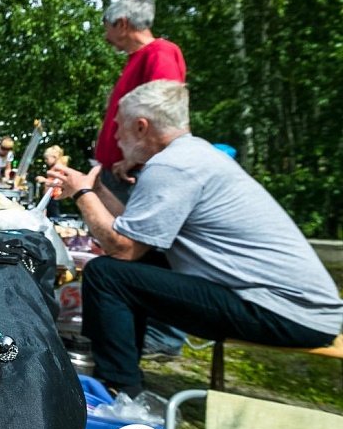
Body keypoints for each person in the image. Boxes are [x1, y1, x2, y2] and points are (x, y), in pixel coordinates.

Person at [47, 80, 342, 396]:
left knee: (108, 274)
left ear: (142, 127)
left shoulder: (172, 166)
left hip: (284, 310)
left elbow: (122, 247)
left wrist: (83, 193)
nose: (116, 137)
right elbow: (132, 232)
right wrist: (99, 190)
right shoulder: (191, 155)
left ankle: (118, 389)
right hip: (290, 304)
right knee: (133, 268)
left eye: (118, 128)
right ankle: (121, 379)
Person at [95, 0, 186, 202]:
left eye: (107, 27)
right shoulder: (138, 58)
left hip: (130, 175)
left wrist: (132, 158)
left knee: (121, 235)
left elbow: (164, 116)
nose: (105, 36)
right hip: (119, 173)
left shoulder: (159, 53)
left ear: (122, 24)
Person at [35, 145, 69, 217]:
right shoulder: (54, 167)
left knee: (54, 217)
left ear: (54, 157)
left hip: (54, 196)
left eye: (47, 159)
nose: (45, 161)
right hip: (49, 196)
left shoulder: (59, 167)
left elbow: (59, 182)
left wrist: (44, 180)